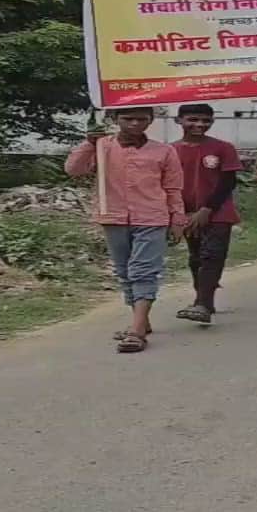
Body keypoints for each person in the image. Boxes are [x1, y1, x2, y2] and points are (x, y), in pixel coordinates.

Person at [65, 106, 185, 354]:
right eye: (128, 118)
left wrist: (177, 220)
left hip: (152, 217)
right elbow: (73, 170)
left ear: (151, 121)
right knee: (124, 271)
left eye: (142, 119)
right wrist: (89, 143)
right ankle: (141, 320)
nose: (134, 124)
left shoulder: (164, 151)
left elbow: (173, 188)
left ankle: (137, 330)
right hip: (114, 216)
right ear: (115, 119)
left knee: (143, 270)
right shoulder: (102, 147)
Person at [171, 104, 242, 325]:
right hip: (186, 213)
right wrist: (178, 214)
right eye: (193, 119)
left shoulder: (223, 148)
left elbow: (228, 182)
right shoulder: (170, 150)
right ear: (179, 121)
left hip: (218, 212)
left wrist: (207, 209)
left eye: (205, 120)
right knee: (195, 258)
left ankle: (202, 304)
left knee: (212, 255)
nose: (199, 125)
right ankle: (204, 300)